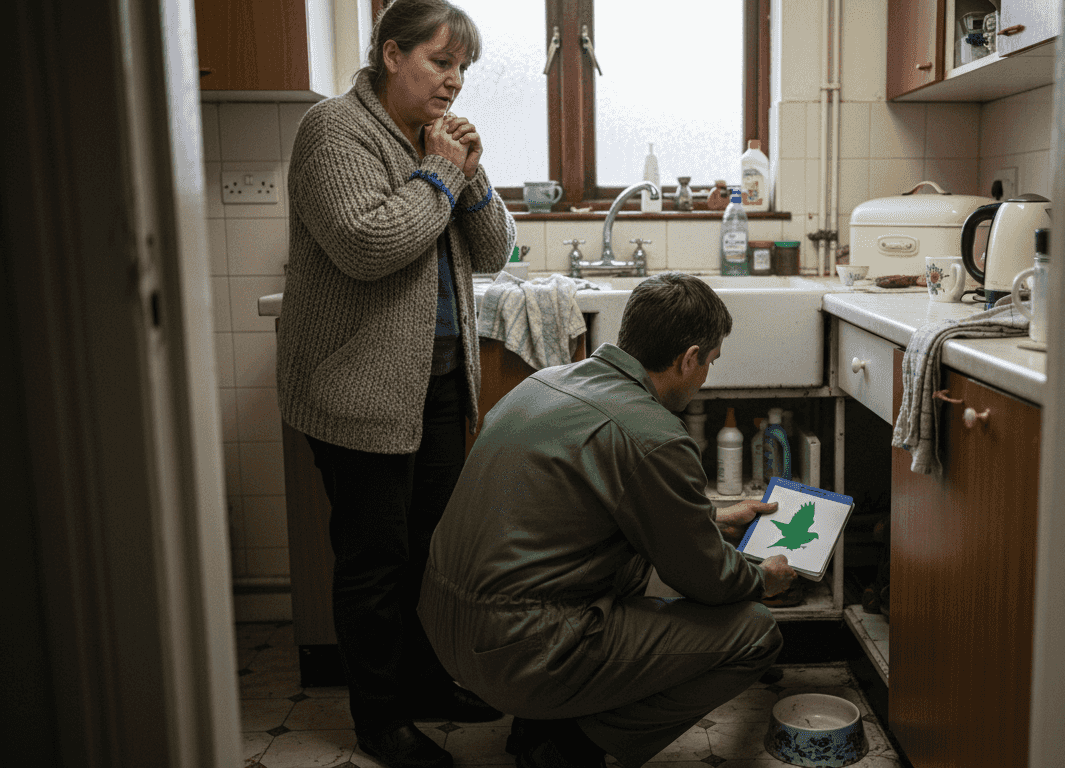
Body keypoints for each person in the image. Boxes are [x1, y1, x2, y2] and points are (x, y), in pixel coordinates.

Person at [418, 273, 798, 768]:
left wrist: (711, 517)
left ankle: (543, 716)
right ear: (689, 358)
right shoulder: (655, 433)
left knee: (632, 563)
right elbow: (709, 581)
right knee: (756, 632)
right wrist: (761, 580)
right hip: (520, 652)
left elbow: (580, 508)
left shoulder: (541, 382)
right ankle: (573, 743)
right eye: (709, 362)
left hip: (444, 629)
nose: (706, 375)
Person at [276, 1, 514, 766]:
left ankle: (425, 685)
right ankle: (379, 718)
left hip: (440, 380)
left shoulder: (432, 139)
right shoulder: (334, 131)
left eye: (462, 69)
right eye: (441, 62)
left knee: (427, 554)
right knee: (374, 563)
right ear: (390, 54)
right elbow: (369, 244)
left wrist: (469, 175)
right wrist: (443, 170)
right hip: (357, 390)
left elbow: (497, 250)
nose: (454, 82)